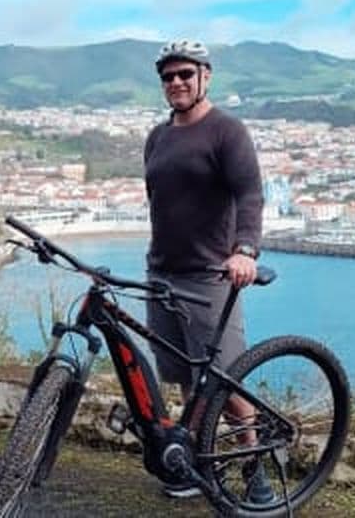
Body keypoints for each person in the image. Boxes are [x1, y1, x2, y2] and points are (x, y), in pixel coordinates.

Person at [143, 40, 274, 502]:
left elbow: (250, 195)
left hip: (211, 276)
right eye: (168, 76)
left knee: (224, 377)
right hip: (162, 272)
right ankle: (195, 462)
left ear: (205, 76)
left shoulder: (226, 131)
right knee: (185, 378)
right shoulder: (157, 137)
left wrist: (245, 250)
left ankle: (254, 469)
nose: (176, 82)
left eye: (185, 74)